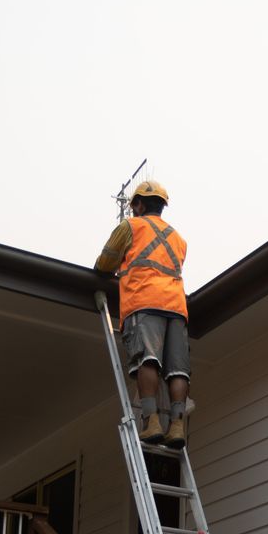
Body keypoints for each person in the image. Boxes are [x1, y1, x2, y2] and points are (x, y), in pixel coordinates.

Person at [96, 179, 191, 448]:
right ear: (162, 206)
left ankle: (150, 421)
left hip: (144, 300)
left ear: (138, 204)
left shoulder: (130, 226)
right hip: (175, 306)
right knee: (177, 371)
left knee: (147, 360)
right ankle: (177, 425)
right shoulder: (178, 238)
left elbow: (104, 263)